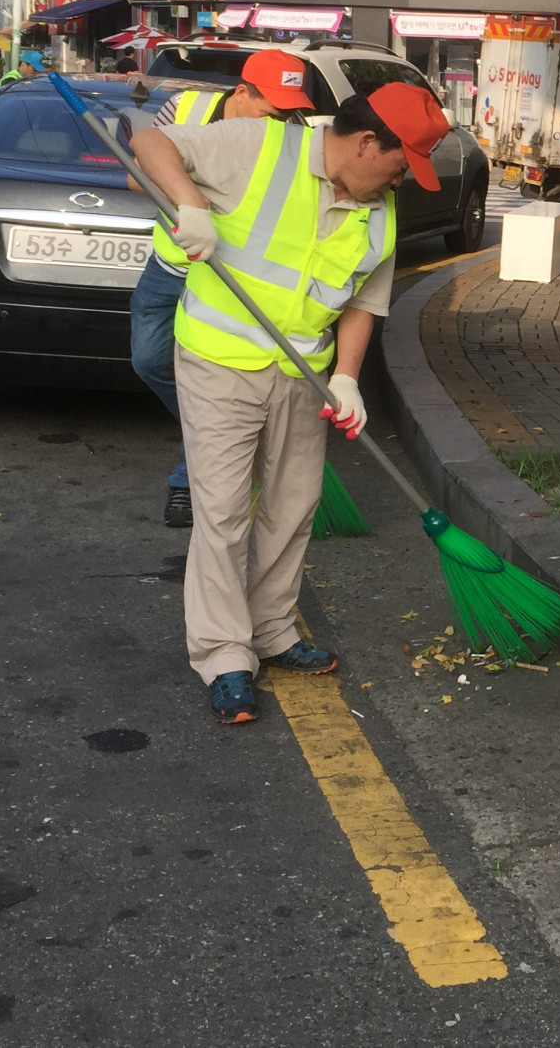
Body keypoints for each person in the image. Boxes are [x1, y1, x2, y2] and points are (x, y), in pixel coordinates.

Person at [128, 80, 451, 726]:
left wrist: (348, 379)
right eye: (398, 166)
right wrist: (191, 206)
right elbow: (148, 142)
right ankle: (224, 657)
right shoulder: (260, 147)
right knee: (221, 513)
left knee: (293, 506)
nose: (400, 183)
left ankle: (271, 629)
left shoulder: (380, 214)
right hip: (220, 363)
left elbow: (362, 302)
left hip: (302, 374)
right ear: (366, 144)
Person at [130, 50, 316, 528]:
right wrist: (192, 195)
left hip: (230, 283)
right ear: (241, 93)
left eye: (291, 109)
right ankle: (225, 435)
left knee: (216, 388)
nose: (283, 119)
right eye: (272, 108)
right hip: (172, 266)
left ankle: (188, 477)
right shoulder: (185, 109)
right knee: (148, 361)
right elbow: (137, 173)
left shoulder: (294, 136)